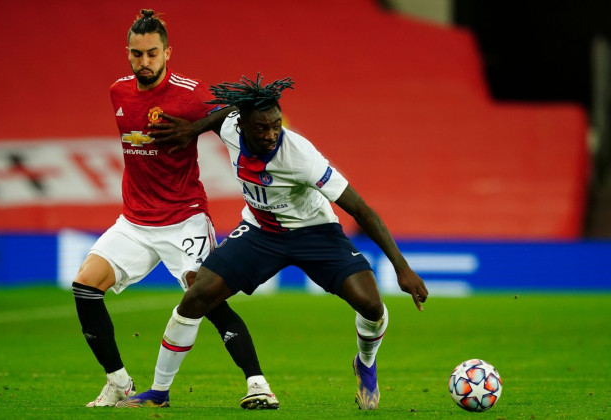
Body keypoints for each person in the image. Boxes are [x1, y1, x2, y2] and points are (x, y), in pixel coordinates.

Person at [118, 74, 429, 410]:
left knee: (370, 304)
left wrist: (403, 268)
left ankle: (365, 363)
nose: (271, 135)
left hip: (316, 233)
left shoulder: (302, 157)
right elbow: (225, 114)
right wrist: (194, 129)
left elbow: (362, 211)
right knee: (196, 297)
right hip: (261, 232)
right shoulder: (232, 127)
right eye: (262, 128)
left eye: (276, 126)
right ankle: (159, 392)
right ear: (244, 127)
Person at [71, 10, 278, 409]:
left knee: (207, 298)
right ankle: (118, 383)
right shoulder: (118, 91)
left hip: (183, 216)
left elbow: (233, 115)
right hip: (134, 220)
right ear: (128, 54)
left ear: (168, 52)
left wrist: (193, 129)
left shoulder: (190, 93)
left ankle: (258, 385)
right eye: (136, 54)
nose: (143, 62)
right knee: (84, 287)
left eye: (151, 53)